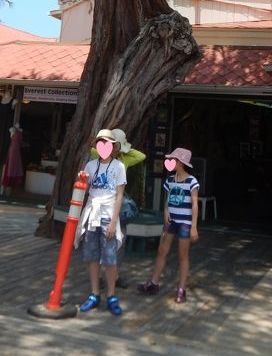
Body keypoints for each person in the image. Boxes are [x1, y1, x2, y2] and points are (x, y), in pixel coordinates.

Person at [137, 147, 199, 304]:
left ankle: (181, 289)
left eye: (173, 160)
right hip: (171, 221)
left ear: (181, 163)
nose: (170, 162)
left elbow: (194, 204)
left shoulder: (192, 181)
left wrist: (193, 226)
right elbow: (168, 199)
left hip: (185, 222)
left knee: (182, 255)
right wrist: (165, 211)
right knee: (161, 251)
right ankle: (154, 283)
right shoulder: (170, 180)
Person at [76, 128, 127, 316]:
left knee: (110, 257)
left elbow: (119, 195)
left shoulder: (119, 166)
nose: (103, 146)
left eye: (107, 143)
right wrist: (81, 179)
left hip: (108, 213)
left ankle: (111, 295)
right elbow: (83, 188)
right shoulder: (90, 165)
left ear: (113, 146)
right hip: (92, 214)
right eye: (100, 142)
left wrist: (114, 222)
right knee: (91, 255)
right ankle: (94, 293)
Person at [91, 126, 145, 289]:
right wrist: (110, 144)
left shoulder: (124, 160)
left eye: (116, 145)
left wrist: (123, 149)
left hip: (118, 204)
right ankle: (99, 276)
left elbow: (141, 156)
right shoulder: (99, 156)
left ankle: (114, 276)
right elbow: (92, 149)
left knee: (120, 242)